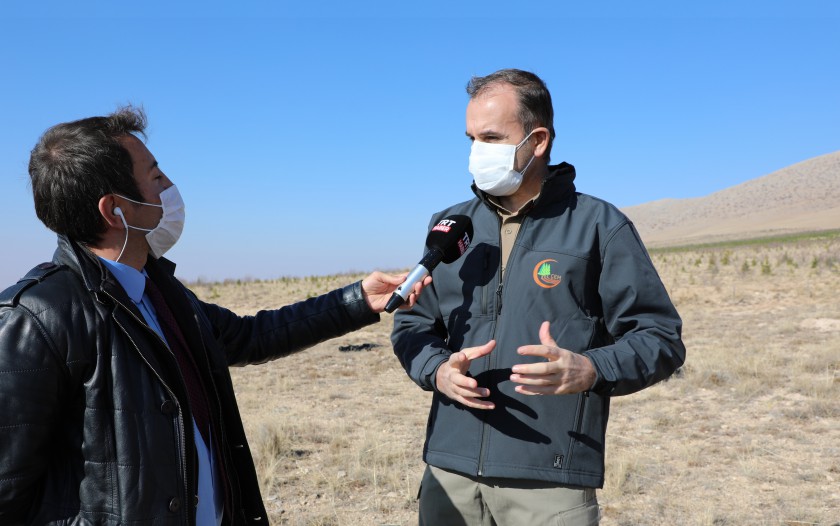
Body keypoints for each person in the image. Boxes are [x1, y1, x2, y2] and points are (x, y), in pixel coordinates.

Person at [0, 106, 428, 526]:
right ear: (115, 210)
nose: (170, 187)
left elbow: (250, 336)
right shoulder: (37, 318)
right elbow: (9, 493)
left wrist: (356, 300)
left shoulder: (161, 292)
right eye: (155, 176)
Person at [391, 69, 686, 525]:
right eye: (470, 137)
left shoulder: (599, 226)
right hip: (449, 474)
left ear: (539, 139)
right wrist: (437, 372)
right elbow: (413, 323)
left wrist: (593, 368)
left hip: (551, 482)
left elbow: (660, 337)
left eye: (491, 137)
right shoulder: (450, 226)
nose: (476, 152)